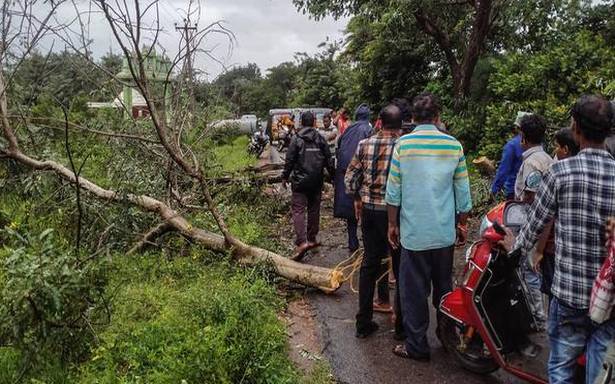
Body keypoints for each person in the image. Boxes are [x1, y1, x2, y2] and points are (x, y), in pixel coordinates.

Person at [499, 95, 615, 384]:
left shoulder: (560, 173)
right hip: (610, 298)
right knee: (602, 374)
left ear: (575, 128)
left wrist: (515, 247)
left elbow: (534, 224)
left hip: (569, 295)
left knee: (561, 370)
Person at [386, 92, 472, 362]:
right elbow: (463, 192)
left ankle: (417, 346)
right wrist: (462, 223)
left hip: (414, 235)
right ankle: (447, 338)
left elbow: (393, 192)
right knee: (444, 289)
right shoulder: (453, 146)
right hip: (443, 235)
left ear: (412, 118)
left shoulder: (402, 145)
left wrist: (392, 223)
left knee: (413, 294)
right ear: (437, 117)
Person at [345, 104, 402, 338]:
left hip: (370, 211)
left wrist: (358, 199)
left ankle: (363, 322)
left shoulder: (364, 144)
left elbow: (350, 179)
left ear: (379, 121)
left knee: (369, 264)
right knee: (400, 267)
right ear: (400, 125)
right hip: (396, 215)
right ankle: (401, 327)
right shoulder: (404, 146)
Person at [513, 114, 554, 332]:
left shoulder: (531, 162)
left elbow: (529, 196)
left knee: (528, 270)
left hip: (532, 221)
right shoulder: (547, 158)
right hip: (546, 224)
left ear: (523, 137)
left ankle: (537, 317)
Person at [534, 127, 580, 301]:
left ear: (566, 149)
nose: (555, 150)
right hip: (577, 249)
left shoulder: (557, 174)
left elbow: (547, 217)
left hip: (555, 248)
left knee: (555, 296)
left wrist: (539, 249)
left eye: (557, 146)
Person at [282, 111, 335, 260]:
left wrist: (285, 177)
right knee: (314, 210)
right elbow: (328, 159)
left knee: (298, 210)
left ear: (301, 123)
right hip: (316, 181)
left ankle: (302, 242)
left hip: (299, 182)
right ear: (313, 123)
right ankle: (312, 239)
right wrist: (333, 177)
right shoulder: (320, 139)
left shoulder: (296, 139)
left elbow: (289, 159)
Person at [334, 104, 373, 254]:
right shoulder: (368, 130)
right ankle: (368, 244)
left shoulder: (348, 129)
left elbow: (339, 147)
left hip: (346, 174)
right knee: (365, 210)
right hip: (362, 173)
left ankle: (352, 242)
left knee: (351, 212)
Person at [491, 112, 529, 200]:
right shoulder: (539, 145)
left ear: (517, 127)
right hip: (534, 190)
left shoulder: (512, 145)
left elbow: (504, 169)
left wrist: (495, 189)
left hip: (514, 191)